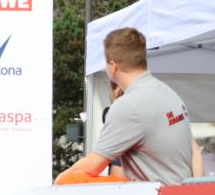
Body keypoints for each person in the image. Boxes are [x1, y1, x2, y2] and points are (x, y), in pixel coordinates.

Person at [56, 27, 201, 186]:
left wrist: (59, 180)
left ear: (113, 66)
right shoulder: (169, 94)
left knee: (68, 180)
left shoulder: (128, 106)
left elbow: (92, 166)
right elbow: (193, 148)